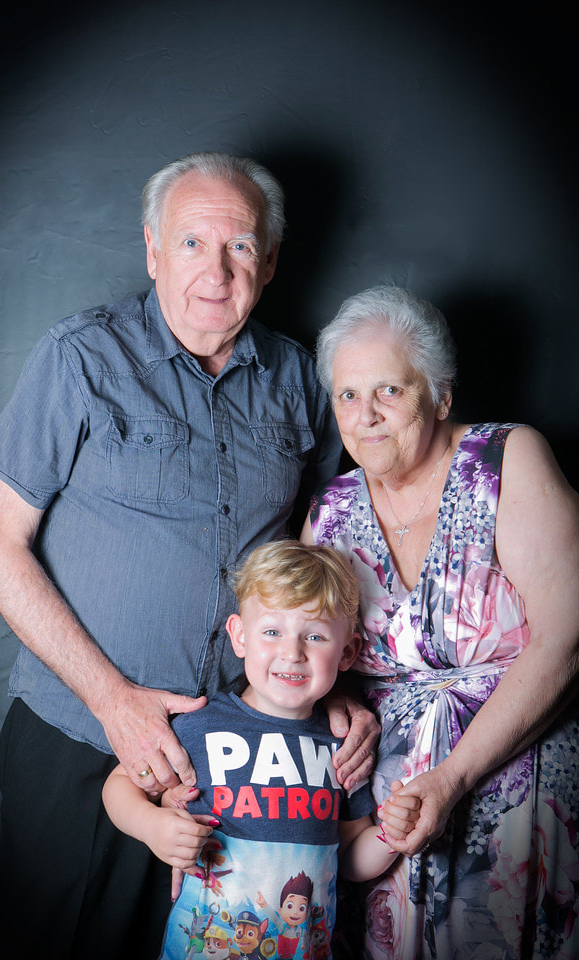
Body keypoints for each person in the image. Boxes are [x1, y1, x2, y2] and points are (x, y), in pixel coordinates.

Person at [0, 152, 380, 960]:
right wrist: (113, 701)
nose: (215, 272)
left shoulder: (302, 381)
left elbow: (321, 562)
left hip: (239, 759)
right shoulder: (82, 358)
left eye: (239, 247)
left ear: (269, 261)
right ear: (153, 250)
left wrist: (331, 688)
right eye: (191, 243)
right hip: (81, 737)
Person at [301, 285, 579, 959]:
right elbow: (309, 650)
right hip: (385, 822)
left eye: (389, 390)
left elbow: (566, 641)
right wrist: (338, 697)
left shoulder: (506, 461)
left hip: (514, 797)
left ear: (441, 396)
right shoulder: (329, 514)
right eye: (347, 395)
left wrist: (452, 777)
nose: (366, 415)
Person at [102, 540, 421, 960]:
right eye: (272, 632)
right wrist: (151, 826)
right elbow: (120, 783)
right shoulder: (202, 724)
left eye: (315, 636)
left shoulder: (343, 746)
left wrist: (390, 835)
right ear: (240, 636)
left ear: (347, 652)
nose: (292, 653)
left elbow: (348, 856)